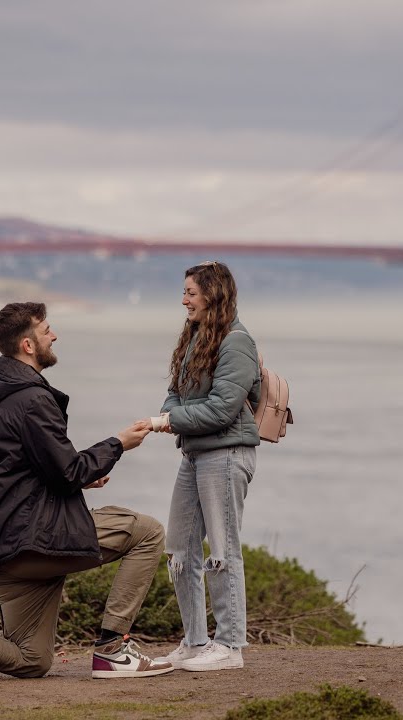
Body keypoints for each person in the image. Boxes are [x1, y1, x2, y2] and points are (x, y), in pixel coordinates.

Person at [0, 301, 175, 682]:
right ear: (27, 344)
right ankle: (112, 650)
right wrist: (118, 444)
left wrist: (80, 477)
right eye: (46, 330)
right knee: (146, 531)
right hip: (30, 542)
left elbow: (22, 468)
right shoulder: (32, 399)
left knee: (31, 660)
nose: (53, 335)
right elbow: (68, 469)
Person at [147, 261, 260, 672]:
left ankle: (230, 646)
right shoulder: (196, 337)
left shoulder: (236, 343)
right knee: (180, 549)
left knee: (223, 551)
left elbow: (222, 409)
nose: (184, 300)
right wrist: (170, 413)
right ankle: (195, 642)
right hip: (194, 454)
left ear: (212, 294)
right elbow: (173, 393)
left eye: (190, 293)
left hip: (227, 456)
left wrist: (169, 420)